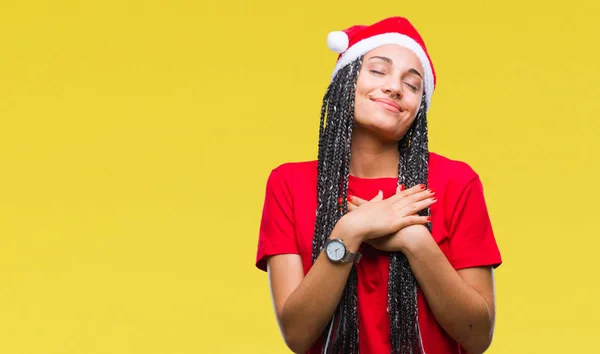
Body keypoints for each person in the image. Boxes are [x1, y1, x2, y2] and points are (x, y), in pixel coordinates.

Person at [254, 16, 502, 354]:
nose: (395, 87)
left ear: (418, 109)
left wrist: (415, 242)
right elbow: (297, 335)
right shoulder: (289, 184)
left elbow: (477, 336)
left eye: (412, 85)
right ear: (345, 80)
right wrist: (349, 232)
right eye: (378, 70)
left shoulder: (457, 183)